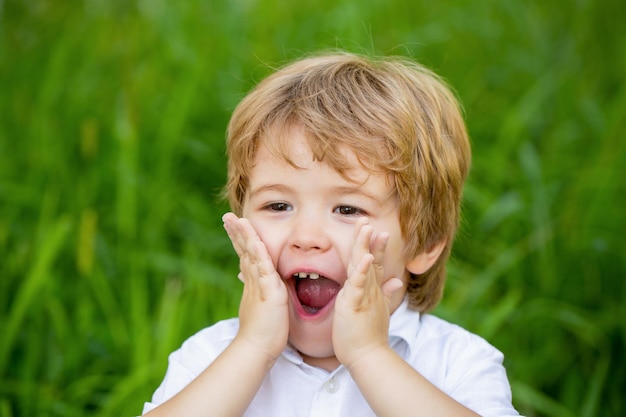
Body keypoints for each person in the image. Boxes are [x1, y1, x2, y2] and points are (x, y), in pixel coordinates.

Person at [141, 51, 521, 417]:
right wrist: (253, 348)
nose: (306, 236)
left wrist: (369, 354)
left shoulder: (457, 363)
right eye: (278, 206)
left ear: (425, 242)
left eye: (348, 209)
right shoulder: (212, 355)